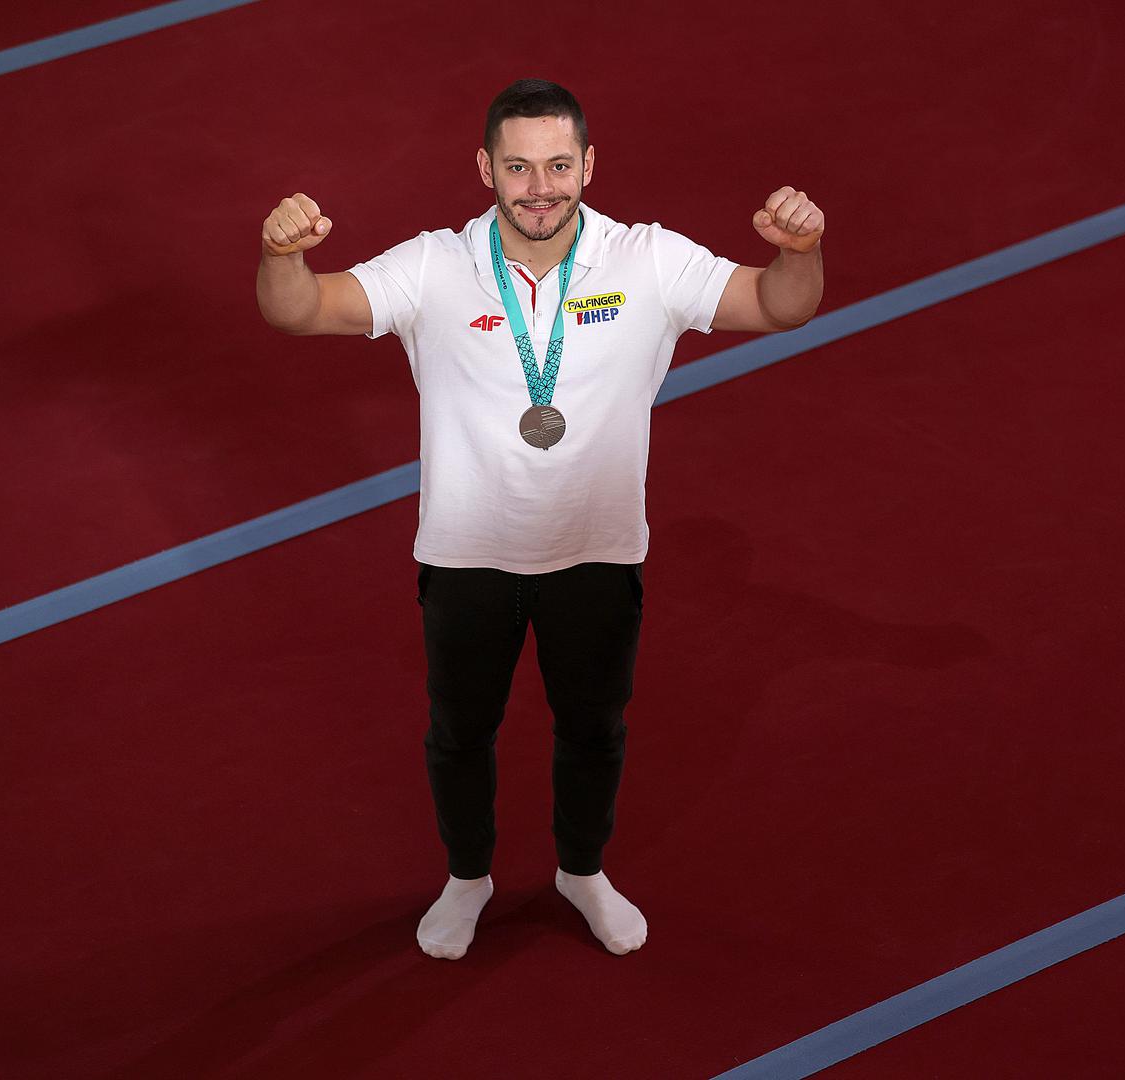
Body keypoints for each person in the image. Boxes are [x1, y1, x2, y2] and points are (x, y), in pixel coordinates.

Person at [255, 78, 824, 959]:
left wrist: (800, 250)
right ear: (485, 169)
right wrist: (280, 255)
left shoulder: (648, 260)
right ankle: (467, 878)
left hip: (595, 556)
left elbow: (781, 304)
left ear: (589, 165)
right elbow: (300, 311)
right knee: (459, 735)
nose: (539, 188)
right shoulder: (434, 266)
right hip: (466, 559)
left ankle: (581, 871)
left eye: (558, 165)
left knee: (594, 731)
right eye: (518, 167)